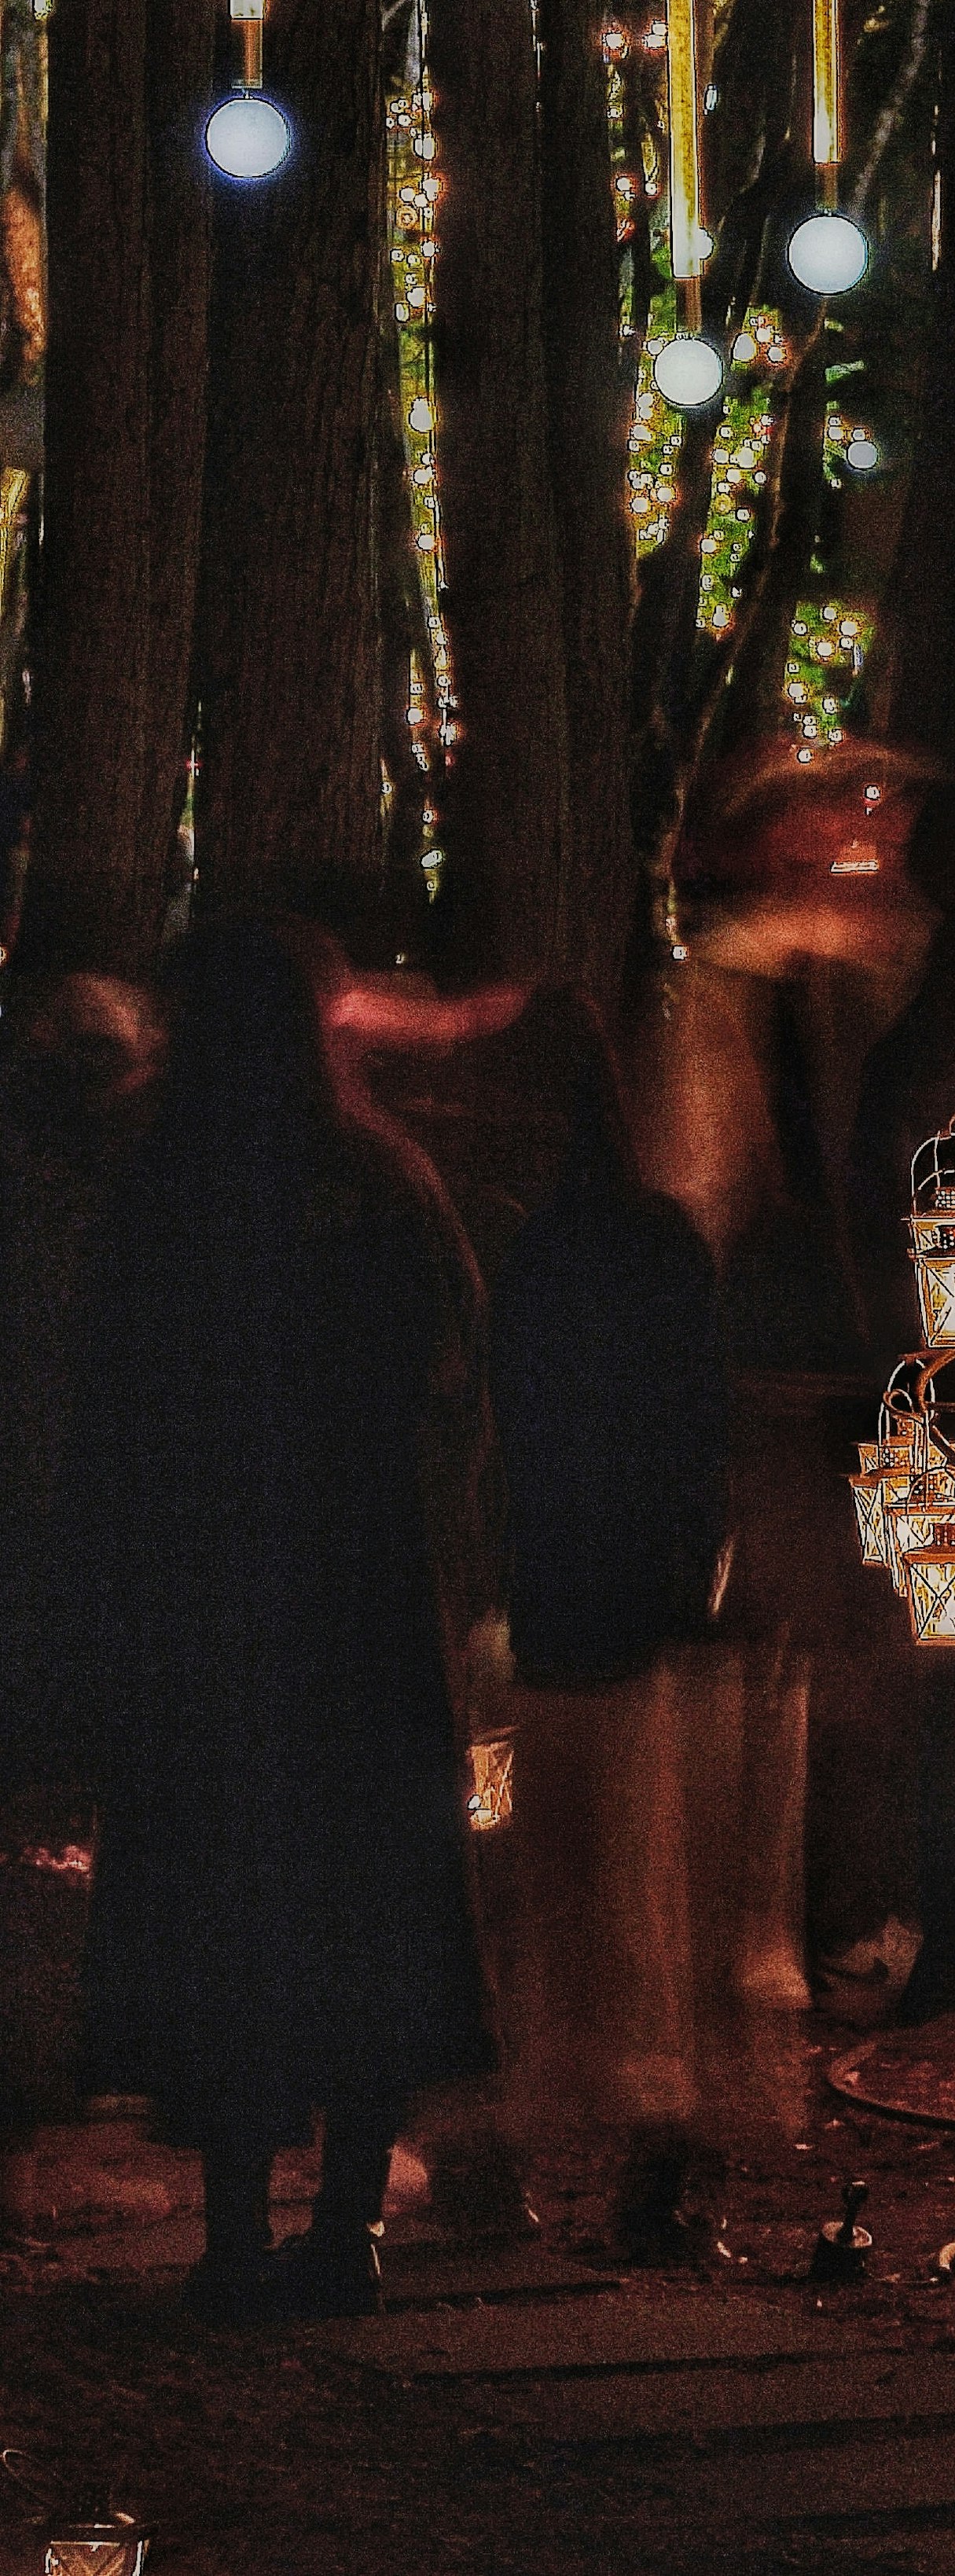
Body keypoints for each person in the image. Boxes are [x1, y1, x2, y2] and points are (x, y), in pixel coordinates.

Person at [57, 917, 495, 2320]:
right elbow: (455, 1383)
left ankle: (238, 2230)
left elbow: (100, 1410)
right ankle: (350, 2222)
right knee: (360, 1898)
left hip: (210, 1599)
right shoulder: (383, 1185)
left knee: (222, 1897)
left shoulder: (160, 1193)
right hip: (357, 1591)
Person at [487, 1003, 737, 2253]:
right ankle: (642, 2152)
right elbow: (699, 1421)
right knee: (640, 1891)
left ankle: (546, 2147)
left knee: (584, 1885)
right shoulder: (648, 1243)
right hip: (629, 1594)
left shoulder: (535, 1249)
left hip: (570, 1594)